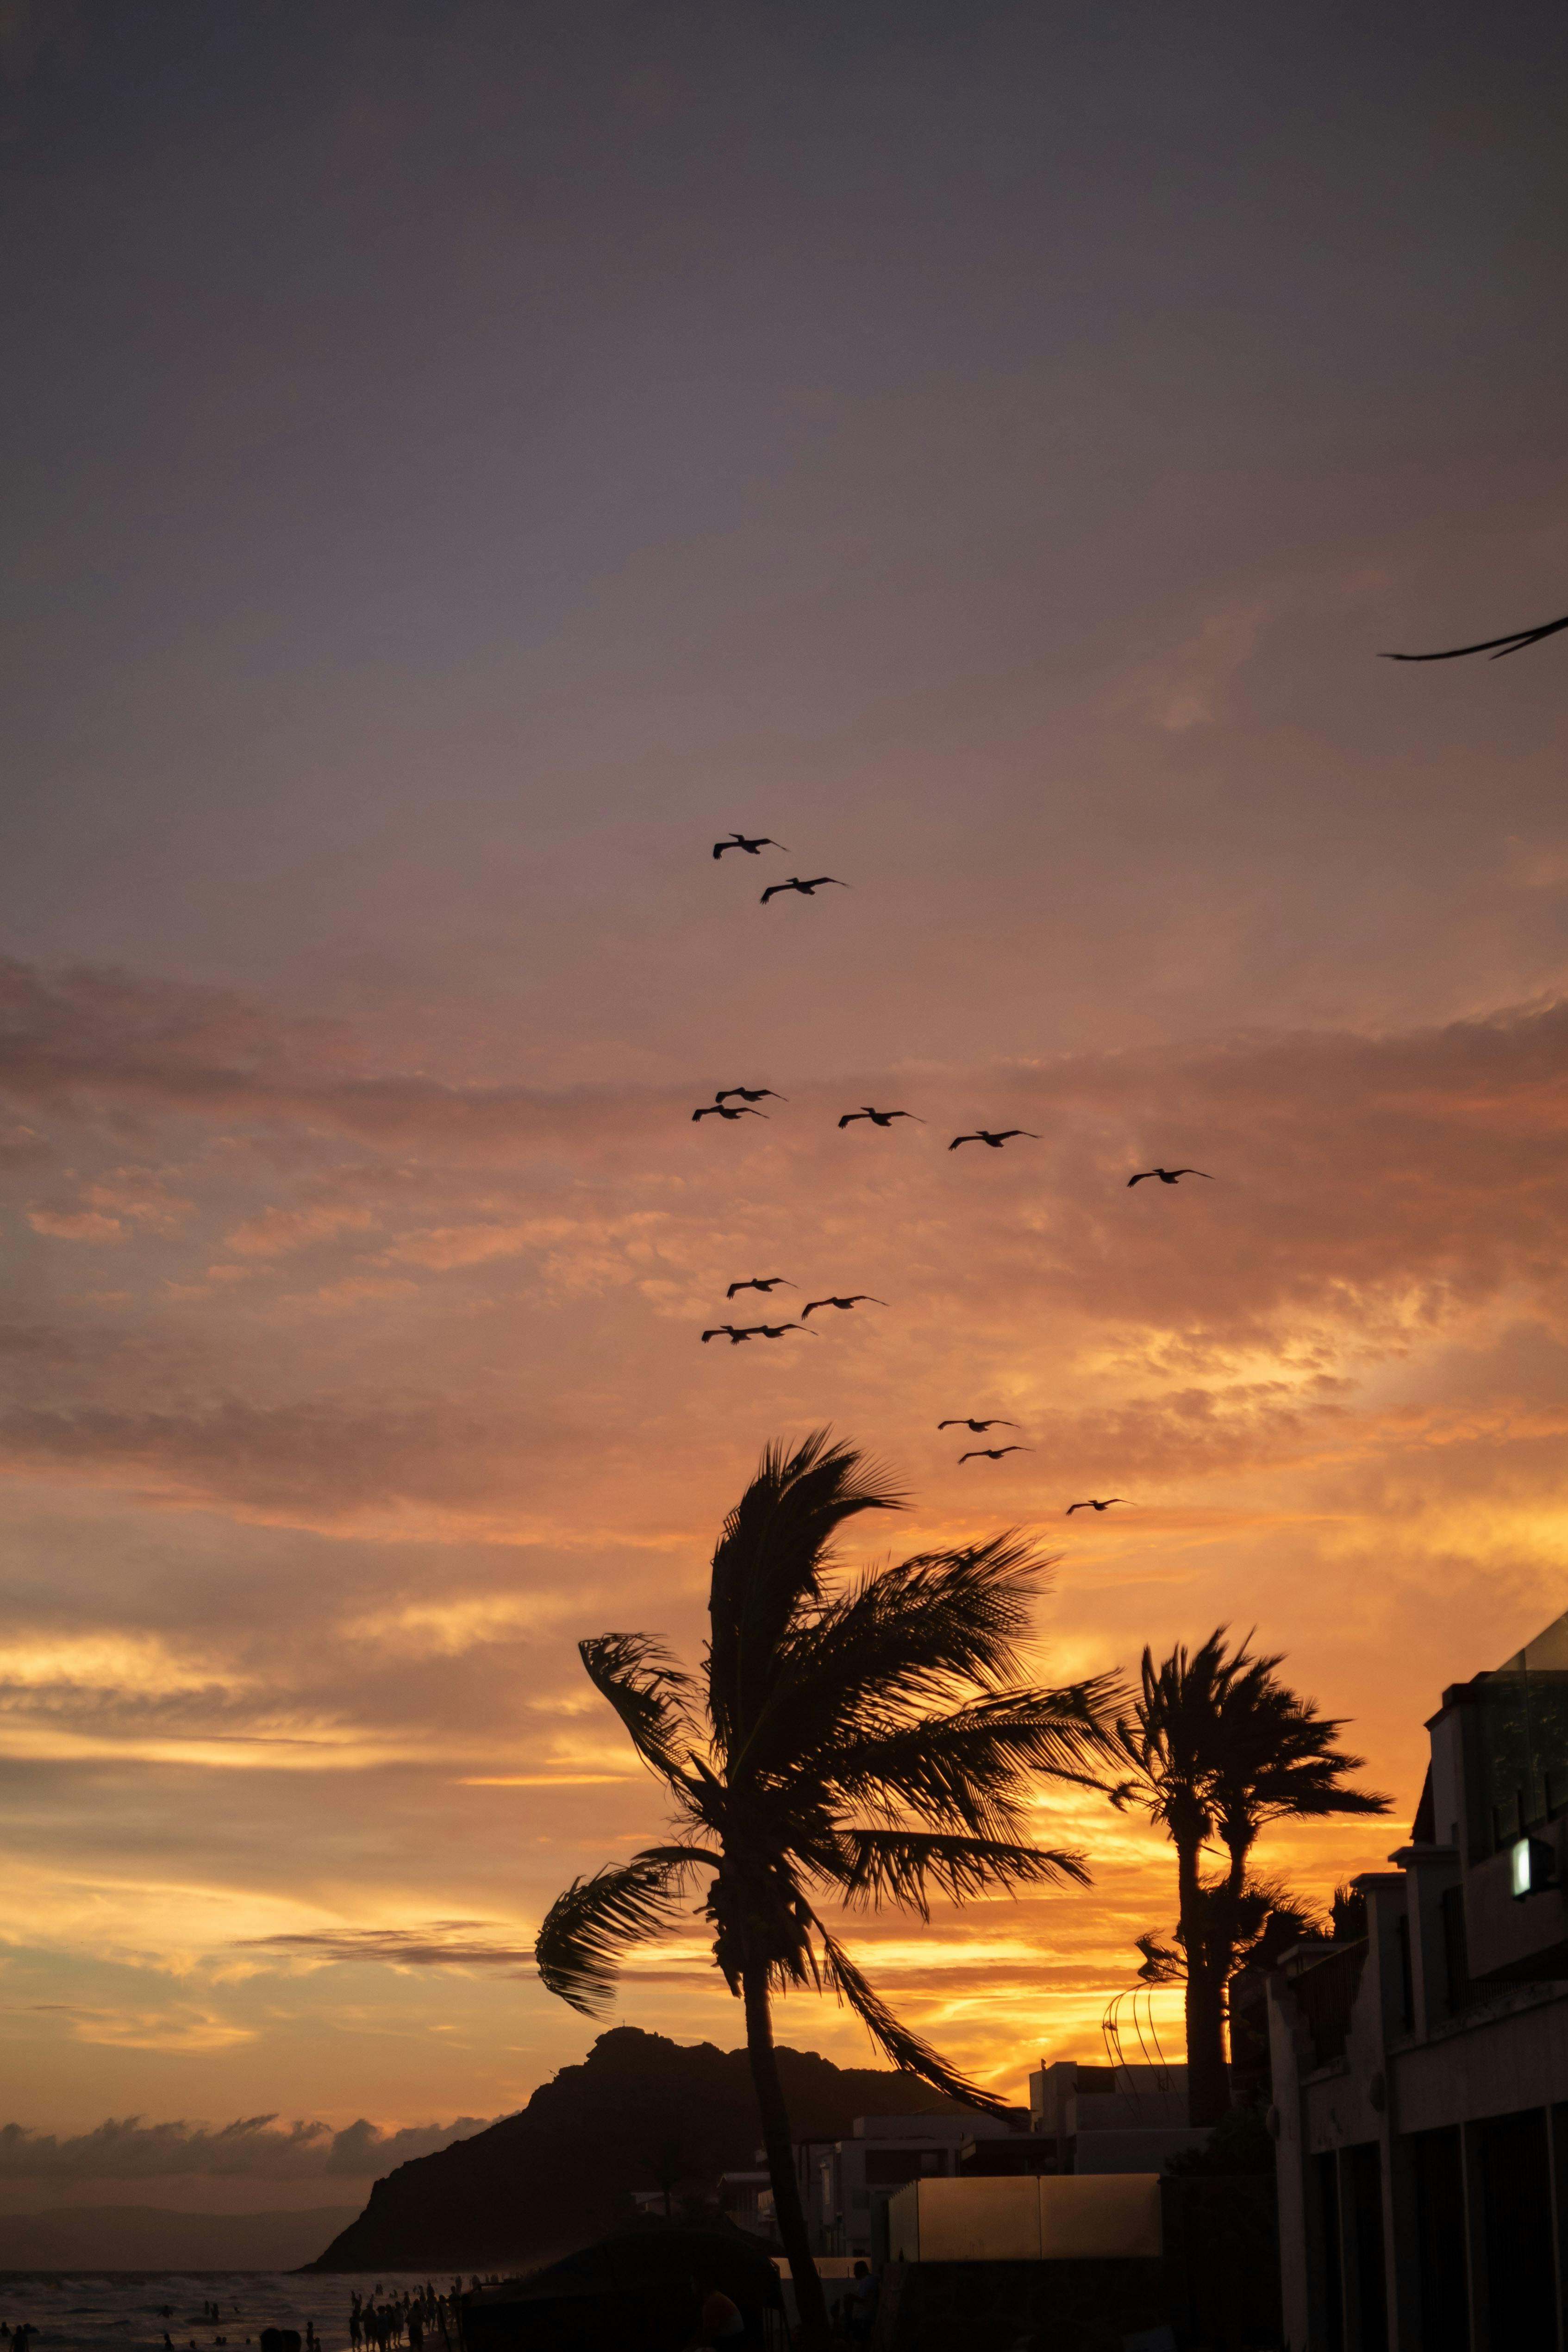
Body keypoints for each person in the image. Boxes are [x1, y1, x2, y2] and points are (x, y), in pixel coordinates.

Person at [685, 2268, 745, 2349]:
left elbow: (706, 2339)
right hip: (735, 2343)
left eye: (693, 2282)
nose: (691, 2286)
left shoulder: (711, 2304)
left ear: (700, 2284)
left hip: (729, 2345)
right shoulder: (716, 2297)